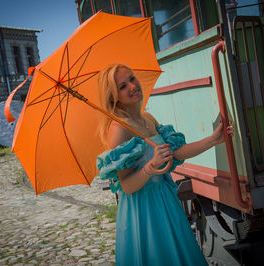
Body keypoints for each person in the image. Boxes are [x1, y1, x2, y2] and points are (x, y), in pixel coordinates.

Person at [96, 63, 231, 265]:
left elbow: (176, 153)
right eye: (122, 86)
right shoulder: (118, 129)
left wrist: (212, 140)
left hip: (165, 200)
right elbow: (127, 186)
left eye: (132, 78)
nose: (132, 86)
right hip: (143, 210)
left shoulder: (148, 118)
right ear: (114, 96)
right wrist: (152, 165)